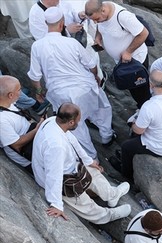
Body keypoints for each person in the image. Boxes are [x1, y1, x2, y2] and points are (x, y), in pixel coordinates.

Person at [28, 6, 113, 158]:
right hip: (84, 87)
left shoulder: (37, 46)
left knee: (77, 127)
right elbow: (91, 64)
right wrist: (96, 76)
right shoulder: (71, 43)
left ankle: (91, 157)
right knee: (102, 106)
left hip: (61, 94)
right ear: (62, 24)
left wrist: (39, 92)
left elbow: (35, 76)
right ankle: (106, 135)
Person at [111, 70, 162, 184]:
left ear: (151, 85)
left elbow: (138, 131)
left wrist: (133, 123)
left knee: (126, 146)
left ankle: (126, 173)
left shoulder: (149, 107)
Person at [84, 0, 151, 108]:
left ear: (103, 10)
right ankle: (141, 105)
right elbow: (100, 26)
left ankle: (146, 108)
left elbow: (144, 33)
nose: (96, 22)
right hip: (121, 62)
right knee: (132, 87)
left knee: (140, 89)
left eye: (96, 19)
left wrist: (128, 52)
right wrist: (98, 36)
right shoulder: (102, 13)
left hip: (135, 60)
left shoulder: (123, 17)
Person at [0, 75, 42, 168]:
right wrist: (37, 129)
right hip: (29, 154)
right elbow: (16, 144)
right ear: (10, 95)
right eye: (19, 90)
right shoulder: (2, 120)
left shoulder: (9, 102)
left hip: (32, 134)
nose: (21, 92)